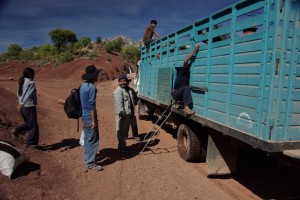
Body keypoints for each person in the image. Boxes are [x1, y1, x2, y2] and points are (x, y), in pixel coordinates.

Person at [80, 64, 103, 171]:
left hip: (84, 116)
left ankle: (87, 158)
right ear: (93, 76)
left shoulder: (83, 86)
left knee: (87, 138)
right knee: (93, 140)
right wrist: (94, 120)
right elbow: (91, 105)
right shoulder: (92, 87)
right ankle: (91, 163)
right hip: (90, 117)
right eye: (97, 74)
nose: (98, 76)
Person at [12, 67, 39, 148]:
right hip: (29, 106)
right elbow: (28, 94)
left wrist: (20, 102)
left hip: (23, 107)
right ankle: (31, 143)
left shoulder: (21, 82)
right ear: (31, 74)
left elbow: (18, 94)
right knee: (33, 125)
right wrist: (23, 103)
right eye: (34, 74)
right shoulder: (31, 83)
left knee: (28, 122)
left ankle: (17, 130)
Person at [171, 45, 200, 116]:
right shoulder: (183, 71)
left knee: (186, 87)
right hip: (176, 94)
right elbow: (185, 60)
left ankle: (185, 104)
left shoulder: (186, 76)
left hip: (179, 93)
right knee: (187, 87)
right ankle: (186, 108)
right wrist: (194, 51)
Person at [113, 74, 135, 153]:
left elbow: (131, 103)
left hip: (128, 114)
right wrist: (122, 113)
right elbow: (118, 103)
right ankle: (121, 147)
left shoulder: (128, 90)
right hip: (122, 114)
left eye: (124, 81)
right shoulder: (118, 91)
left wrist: (132, 113)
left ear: (127, 82)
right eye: (121, 81)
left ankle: (123, 145)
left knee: (125, 131)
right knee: (120, 131)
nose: (123, 83)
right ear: (118, 82)